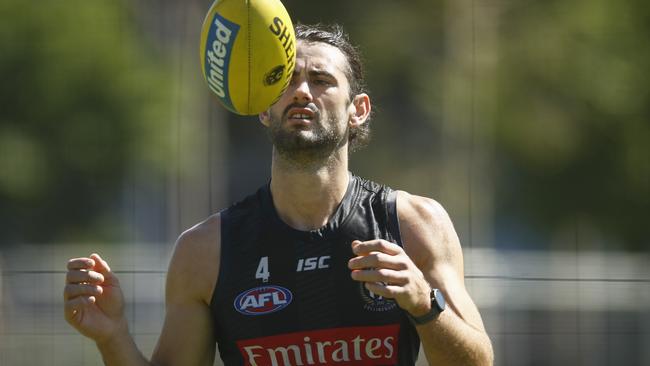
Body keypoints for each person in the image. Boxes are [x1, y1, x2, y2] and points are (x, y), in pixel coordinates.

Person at [64, 23, 493, 366]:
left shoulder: (414, 224)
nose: (302, 91)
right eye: (285, 82)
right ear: (264, 109)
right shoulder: (205, 251)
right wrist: (113, 336)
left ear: (357, 110)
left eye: (321, 80)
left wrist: (423, 302)